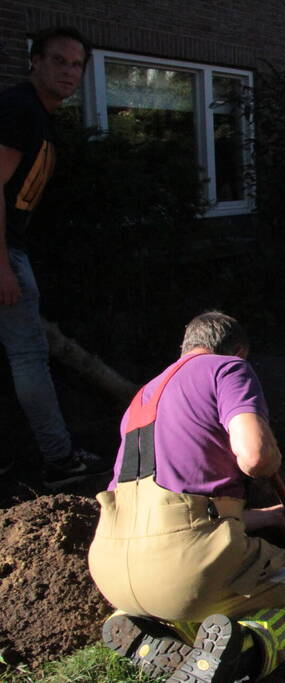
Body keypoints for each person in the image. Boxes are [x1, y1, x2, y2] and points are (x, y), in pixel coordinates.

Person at [89, 312, 285, 683]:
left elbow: (181, 510)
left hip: (113, 570)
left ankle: (138, 623)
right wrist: (272, 455)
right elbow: (256, 457)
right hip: (185, 568)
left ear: (185, 346)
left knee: (179, 589)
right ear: (239, 350)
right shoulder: (226, 369)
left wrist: (272, 517)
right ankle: (243, 652)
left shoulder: (142, 396)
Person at [0, 26, 108, 488]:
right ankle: (60, 459)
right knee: (28, 357)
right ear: (35, 61)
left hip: (13, 248)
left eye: (76, 64)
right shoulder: (19, 110)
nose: (69, 71)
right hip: (3, 251)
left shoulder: (37, 115)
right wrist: (1, 264)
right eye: (59, 61)